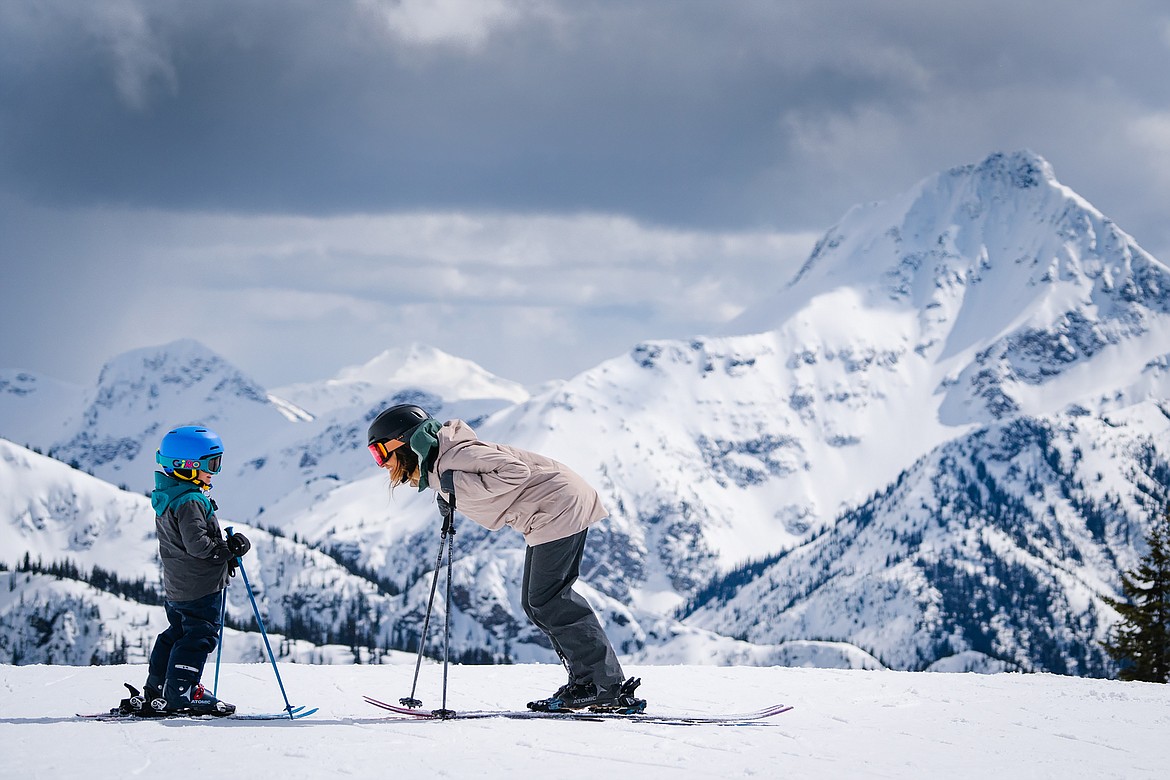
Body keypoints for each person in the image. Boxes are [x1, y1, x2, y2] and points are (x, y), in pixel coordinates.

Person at [367, 403, 644, 713]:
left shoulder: (455, 456)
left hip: (557, 506)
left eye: (379, 453)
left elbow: (515, 471)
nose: (381, 464)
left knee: (548, 600)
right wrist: (447, 494)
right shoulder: (444, 463)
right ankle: (594, 681)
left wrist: (454, 486)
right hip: (552, 509)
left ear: (401, 442)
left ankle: (599, 683)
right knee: (539, 601)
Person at [134, 425, 251, 716]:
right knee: (199, 636)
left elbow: (188, 544)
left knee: (177, 633)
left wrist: (225, 551)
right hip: (199, 587)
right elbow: (198, 545)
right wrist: (228, 550)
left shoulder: (170, 496)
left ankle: (158, 689)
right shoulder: (189, 501)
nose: (215, 471)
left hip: (179, 586)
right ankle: (183, 692)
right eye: (212, 464)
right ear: (187, 465)